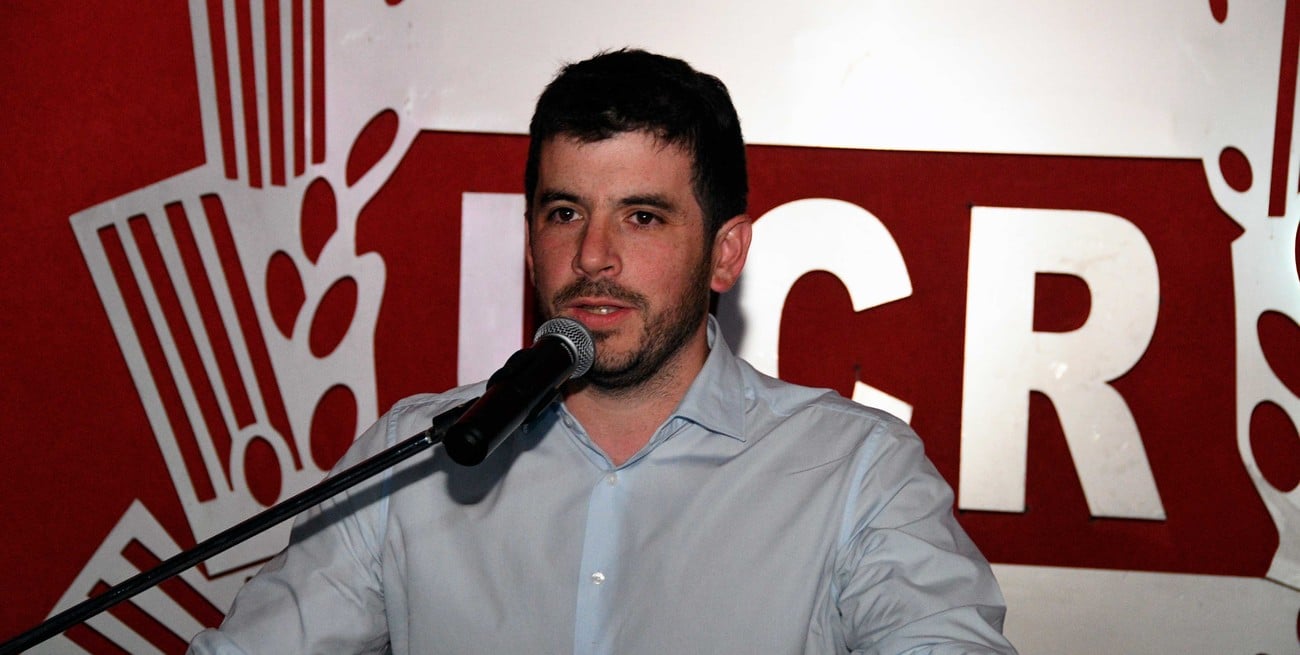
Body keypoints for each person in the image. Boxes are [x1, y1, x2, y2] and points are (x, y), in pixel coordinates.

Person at [189, 49, 1016, 654]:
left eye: (642, 217)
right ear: (529, 244)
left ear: (726, 253)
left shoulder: (854, 470)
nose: (592, 256)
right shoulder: (418, 457)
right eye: (564, 213)